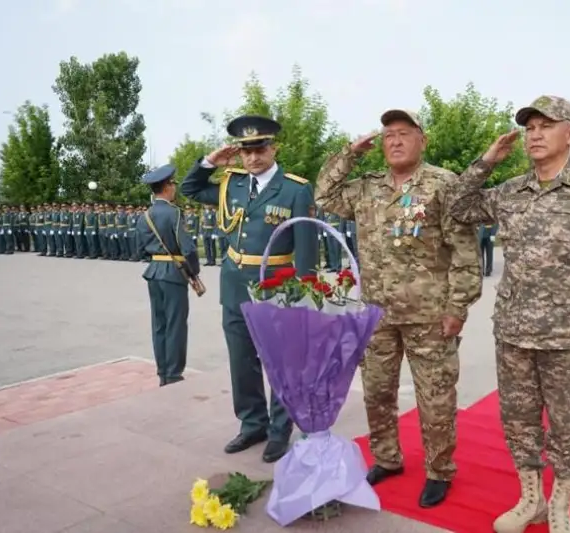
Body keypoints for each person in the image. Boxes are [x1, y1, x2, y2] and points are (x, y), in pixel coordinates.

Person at [448, 95, 570, 533]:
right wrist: (487, 162)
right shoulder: (511, 191)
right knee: (518, 421)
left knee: (565, 425)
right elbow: (458, 207)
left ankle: (560, 506)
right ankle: (530, 499)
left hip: (569, 334)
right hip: (514, 330)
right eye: (529, 127)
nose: (535, 134)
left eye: (546, 126)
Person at [315, 109, 483, 508]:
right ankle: (387, 458)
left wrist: (458, 306)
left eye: (404, 133)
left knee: (436, 399)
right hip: (377, 314)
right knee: (377, 393)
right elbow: (323, 195)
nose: (394, 141)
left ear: (422, 140)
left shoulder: (443, 184)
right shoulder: (366, 187)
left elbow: (464, 251)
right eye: (388, 134)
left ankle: (439, 470)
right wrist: (350, 153)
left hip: (430, 315)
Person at [181, 115, 318, 463]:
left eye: (260, 149)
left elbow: (306, 247)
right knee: (241, 360)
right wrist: (209, 162)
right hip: (234, 284)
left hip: (277, 286)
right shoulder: (233, 185)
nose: (253, 157)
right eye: (246, 151)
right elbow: (190, 189)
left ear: (273, 149)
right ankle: (253, 423)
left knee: (280, 362)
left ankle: (279, 430)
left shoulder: (295, 189)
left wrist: (305, 295)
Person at [136, 164, 200, 387]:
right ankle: (173, 374)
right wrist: (194, 272)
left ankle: (163, 371)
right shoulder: (174, 212)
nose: (175, 188)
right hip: (173, 273)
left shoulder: (145, 215)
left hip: (154, 272)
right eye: (173, 184)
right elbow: (188, 248)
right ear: (166, 187)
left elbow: (140, 249)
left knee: (159, 324)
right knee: (176, 324)